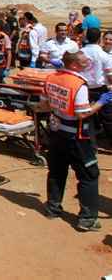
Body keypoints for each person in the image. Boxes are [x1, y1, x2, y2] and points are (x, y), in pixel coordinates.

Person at [42, 51, 112, 232]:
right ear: (74, 65)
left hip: (56, 133)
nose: (88, 61)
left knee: (57, 171)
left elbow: (45, 104)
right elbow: (82, 113)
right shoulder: (79, 85)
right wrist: (101, 103)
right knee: (89, 175)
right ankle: (87, 219)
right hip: (76, 137)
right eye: (84, 60)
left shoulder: (51, 78)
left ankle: (52, 207)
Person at [79, 28, 112, 108]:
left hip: (85, 89)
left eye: (110, 39)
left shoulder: (79, 52)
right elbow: (110, 75)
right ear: (100, 39)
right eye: (106, 39)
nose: (107, 41)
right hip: (99, 90)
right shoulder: (102, 54)